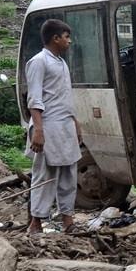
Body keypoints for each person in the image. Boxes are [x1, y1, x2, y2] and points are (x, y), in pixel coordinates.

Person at [24, 18, 82, 235]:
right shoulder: (39, 62)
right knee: (44, 175)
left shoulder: (61, 62)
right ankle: (35, 223)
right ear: (55, 38)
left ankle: (68, 221)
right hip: (47, 126)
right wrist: (38, 130)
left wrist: (75, 123)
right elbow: (34, 99)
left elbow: (63, 97)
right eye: (66, 37)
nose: (69, 41)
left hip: (65, 126)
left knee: (69, 174)